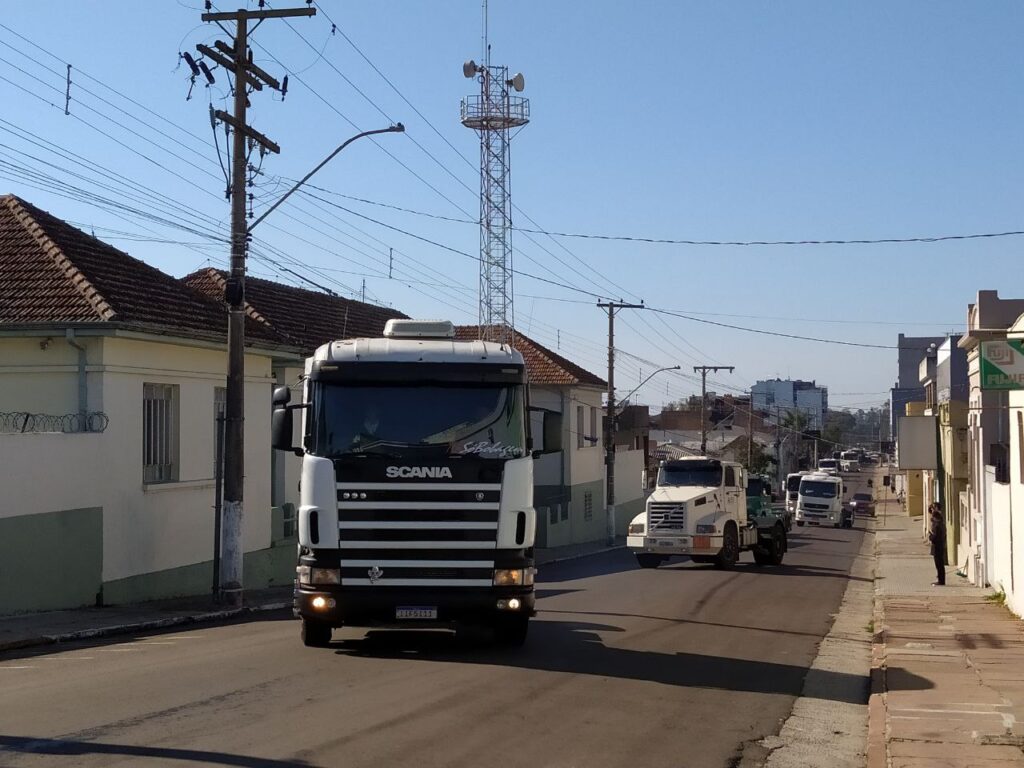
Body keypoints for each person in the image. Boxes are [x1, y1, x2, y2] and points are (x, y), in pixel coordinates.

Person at [928, 503, 947, 586]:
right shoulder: (941, 523)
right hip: (940, 545)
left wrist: (930, 536)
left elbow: (935, 537)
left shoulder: (937, 525)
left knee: (939, 564)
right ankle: (940, 579)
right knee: (940, 564)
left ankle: (941, 580)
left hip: (937, 547)